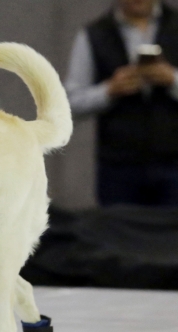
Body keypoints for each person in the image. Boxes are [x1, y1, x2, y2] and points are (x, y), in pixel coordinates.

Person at [65, 0, 178, 207]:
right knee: (118, 234)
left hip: (173, 163)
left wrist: (172, 79)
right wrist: (109, 90)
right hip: (118, 168)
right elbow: (70, 104)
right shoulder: (94, 34)